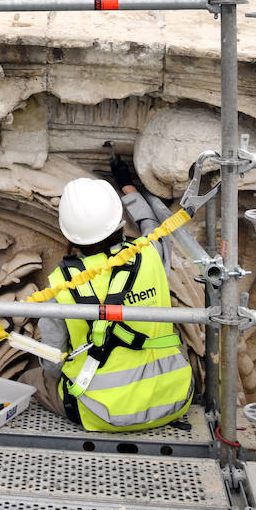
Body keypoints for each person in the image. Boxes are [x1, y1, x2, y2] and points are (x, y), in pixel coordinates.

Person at [28, 156, 193, 431]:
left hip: (101, 412)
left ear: (68, 234)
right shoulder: (151, 254)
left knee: (32, 380)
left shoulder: (62, 285)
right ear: (118, 222)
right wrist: (127, 185)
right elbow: (150, 224)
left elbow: (52, 362)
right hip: (173, 397)